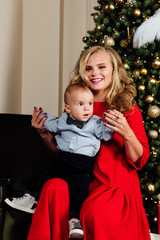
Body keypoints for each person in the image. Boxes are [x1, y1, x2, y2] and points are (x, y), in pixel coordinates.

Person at [27, 45, 151, 240]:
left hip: (113, 185)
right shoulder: (78, 104)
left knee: (97, 211)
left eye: (101, 67)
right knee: (53, 186)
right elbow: (65, 152)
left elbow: (139, 160)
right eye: (88, 68)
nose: (95, 73)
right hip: (80, 179)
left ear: (114, 70)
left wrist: (126, 132)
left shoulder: (128, 108)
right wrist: (44, 135)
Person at [5, 82, 114, 239]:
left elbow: (106, 134)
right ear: (68, 108)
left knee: (80, 189)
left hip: (81, 163)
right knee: (41, 172)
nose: (87, 108)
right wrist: (42, 115)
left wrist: (111, 123)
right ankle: (30, 198)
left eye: (90, 104)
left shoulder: (95, 122)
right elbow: (52, 124)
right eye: (81, 104)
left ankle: (75, 220)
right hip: (62, 159)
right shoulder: (64, 120)